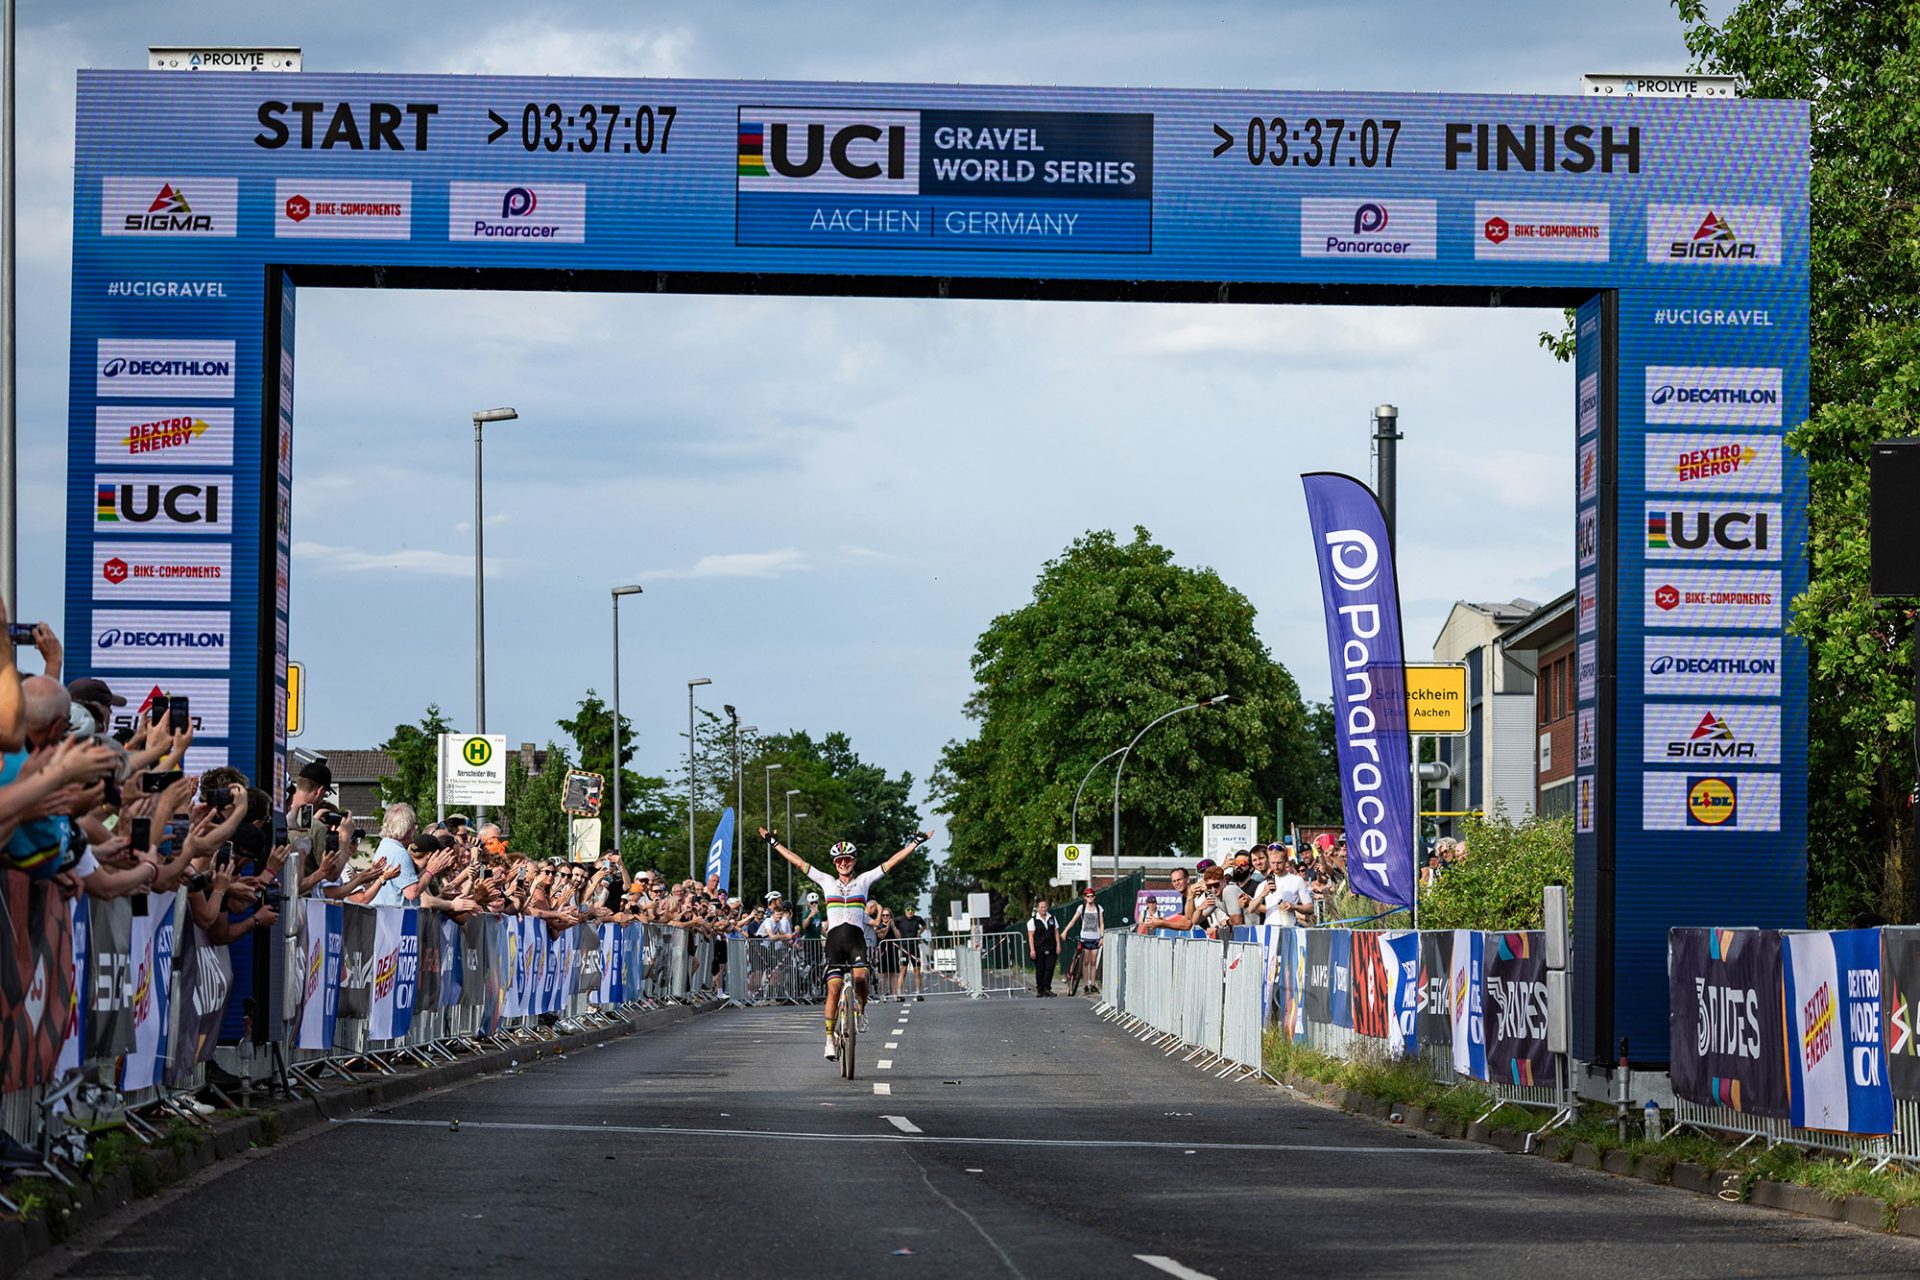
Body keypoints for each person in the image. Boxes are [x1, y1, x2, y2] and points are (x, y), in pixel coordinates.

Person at [760, 825, 932, 1060]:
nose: (844, 863)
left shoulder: (864, 881)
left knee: (861, 978)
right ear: (835, 863)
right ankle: (829, 1039)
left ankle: (860, 1011)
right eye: (840, 860)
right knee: (833, 989)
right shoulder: (826, 881)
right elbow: (799, 863)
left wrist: (915, 842)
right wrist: (773, 843)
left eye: (848, 859)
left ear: (854, 861)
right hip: (834, 942)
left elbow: (891, 862)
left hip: (856, 940)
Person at [1059, 886, 1103, 995]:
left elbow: (1101, 923)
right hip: (1085, 937)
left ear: (1095, 897)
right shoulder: (1081, 908)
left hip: (1095, 938)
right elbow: (1073, 920)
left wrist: (1102, 937)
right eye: (1088, 896)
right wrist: (1065, 931)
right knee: (1085, 962)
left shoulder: (1099, 908)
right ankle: (1086, 984)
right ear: (1085, 897)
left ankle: (1092, 984)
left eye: (1092, 896)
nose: (1090, 898)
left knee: (1093, 962)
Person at [894, 902, 927, 1001]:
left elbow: (924, 925)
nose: (910, 912)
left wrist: (919, 932)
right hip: (904, 948)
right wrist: (897, 935)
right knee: (903, 971)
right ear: (905, 911)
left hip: (914, 948)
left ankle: (919, 993)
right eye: (908, 910)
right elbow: (892, 924)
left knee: (917, 971)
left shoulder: (918, 919)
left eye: (912, 910)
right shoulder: (900, 919)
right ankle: (899, 994)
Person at [1028, 897, 1060, 996]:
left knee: (1050, 968)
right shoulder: (1032, 921)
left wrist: (1058, 945)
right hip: (1039, 948)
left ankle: (1047, 988)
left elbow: (1056, 932)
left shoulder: (1052, 918)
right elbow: (1030, 936)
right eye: (1041, 907)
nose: (1044, 909)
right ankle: (1040, 989)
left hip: (1051, 946)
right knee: (1040, 968)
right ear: (1037, 908)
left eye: (1045, 907)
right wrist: (1032, 950)